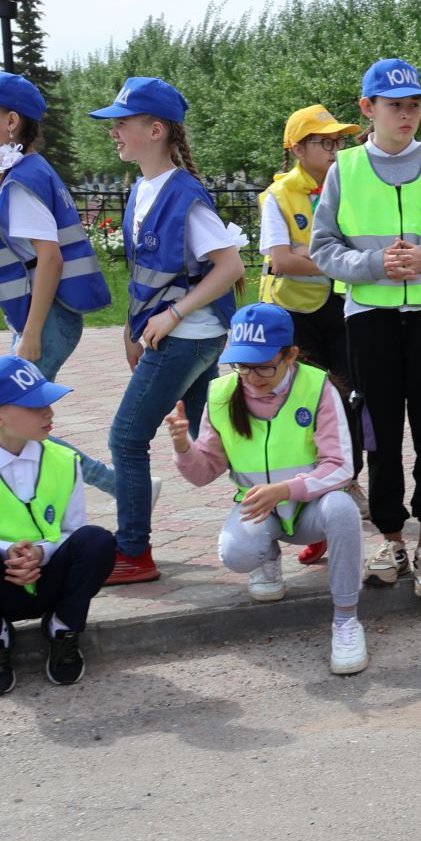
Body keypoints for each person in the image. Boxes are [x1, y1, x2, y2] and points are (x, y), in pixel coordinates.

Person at [308, 58, 421, 598]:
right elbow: (323, 249)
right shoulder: (347, 169)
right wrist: (375, 266)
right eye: (394, 105)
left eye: (413, 106)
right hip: (370, 322)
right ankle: (392, 540)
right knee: (379, 435)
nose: (406, 115)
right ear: (368, 109)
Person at [89, 77, 246, 586]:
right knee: (219, 436)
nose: (114, 132)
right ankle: (299, 518)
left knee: (126, 440)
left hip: (189, 336)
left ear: (155, 130)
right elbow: (147, 275)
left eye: (123, 123)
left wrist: (172, 316)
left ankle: (133, 552)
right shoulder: (141, 188)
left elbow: (229, 267)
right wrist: (132, 332)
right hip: (176, 336)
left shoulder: (184, 194)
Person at [166, 304, 366, 676]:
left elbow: (341, 467)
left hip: (311, 508)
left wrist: (287, 490)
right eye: (242, 366)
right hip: (260, 509)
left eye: (263, 367)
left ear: (290, 355)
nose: (251, 377)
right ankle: (267, 558)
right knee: (236, 554)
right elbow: (203, 472)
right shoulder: (223, 393)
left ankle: (346, 620)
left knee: (342, 509)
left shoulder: (317, 386)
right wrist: (183, 448)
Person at [0, 73, 115, 497]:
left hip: (48, 320)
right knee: (12, 421)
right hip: (48, 317)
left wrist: (30, 333)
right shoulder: (26, 171)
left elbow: (51, 257)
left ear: (10, 121)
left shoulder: (22, 179)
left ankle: (116, 486)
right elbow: (31, 255)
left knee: (10, 421)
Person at [0, 356, 116, 696]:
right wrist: (6, 553)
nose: (49, 413)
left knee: (97, 540)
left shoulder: (63, 460)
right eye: (34, 405)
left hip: (49, 579)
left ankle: (63, 628)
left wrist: (40, 554)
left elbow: (73, 531)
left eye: (48, 403)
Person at [258, 103, 367, 547]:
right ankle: (302, 491)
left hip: (343, 307)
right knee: (301, 403)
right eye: (324, 142)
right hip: (294, 315)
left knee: (350, 396)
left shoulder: (352, 186)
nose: (334, 149)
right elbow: (280, 259)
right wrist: (337, 260)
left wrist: (324, 261)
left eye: (338, 141)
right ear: (298, 148)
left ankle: (348, 479)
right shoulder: (279, 195)